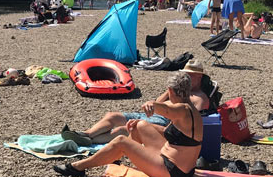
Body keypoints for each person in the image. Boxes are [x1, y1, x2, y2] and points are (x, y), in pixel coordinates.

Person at [53, 72, 203, 177]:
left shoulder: (182, 110)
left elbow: (166, 110)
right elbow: (169, 133)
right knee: (139, 125)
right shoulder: (191, 109)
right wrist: (143, 124)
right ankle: (115, 156)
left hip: (172, 172)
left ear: (169, 90)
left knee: (121, 141)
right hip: (183, 168)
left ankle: (78, 168)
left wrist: (152, 105)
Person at [61, 61, 214, 144]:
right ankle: (86, 134)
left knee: (123, 129)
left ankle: (86, 141)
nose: (186, 77)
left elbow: (188, 122)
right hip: (153, 115)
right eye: (185, 74)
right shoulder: (177, 89)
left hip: (164, 124)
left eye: (190, 75)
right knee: (112, 116)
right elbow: (157, 102)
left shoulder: (200, 98)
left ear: (199, 77)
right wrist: (170, 92)